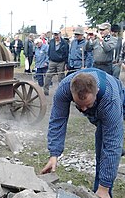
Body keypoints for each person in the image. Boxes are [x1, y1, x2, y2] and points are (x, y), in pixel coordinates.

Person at [41, 68, 124, 198]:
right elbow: (57, 121)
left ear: (96, 92)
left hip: (116, 94)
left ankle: (102, 191)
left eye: (87, 104)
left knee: (105, 146)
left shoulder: (111, 100)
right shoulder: (64, 89)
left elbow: (112, 143)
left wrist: (104, 187)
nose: (84, 109)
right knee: (107, 147)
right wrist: (54, 154)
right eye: (79, 105)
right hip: (100, 103)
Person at [43, 30, 69, 96]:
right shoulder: (51, 41)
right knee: (48, 75)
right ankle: (45, 90)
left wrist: (66, 63)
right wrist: (49, 59)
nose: (56, 36)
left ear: (60, 34)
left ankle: (61, 92)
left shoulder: (65, 43)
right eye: (55, 34)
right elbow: (49, 51)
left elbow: (67, 54)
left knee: (61, 77)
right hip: (52, 61)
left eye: (57, 34)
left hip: (61, 62)